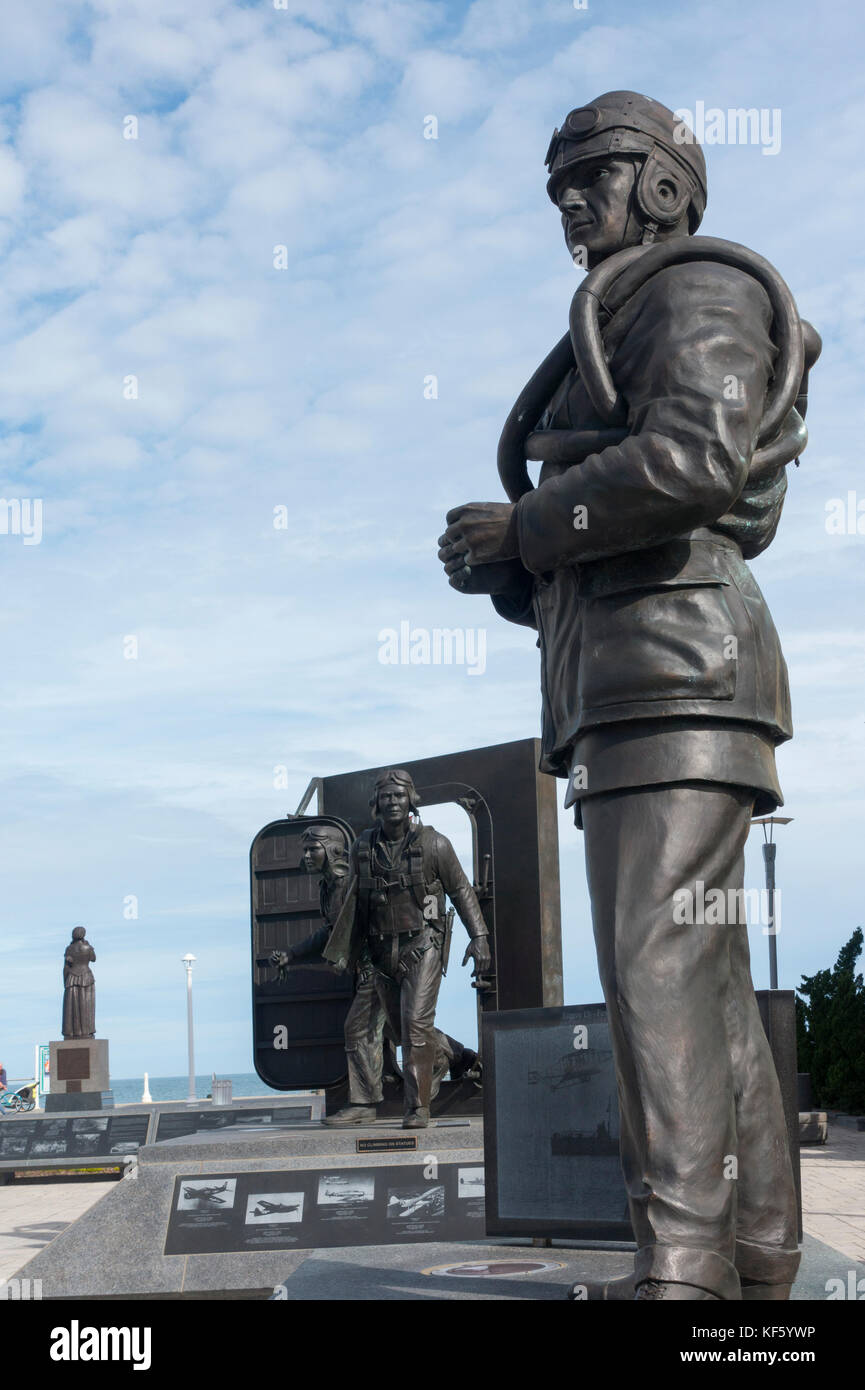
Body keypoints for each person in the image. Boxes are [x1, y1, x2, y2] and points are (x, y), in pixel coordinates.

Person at [438, 91, 815, 1300]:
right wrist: (512, 562)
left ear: (663, 182)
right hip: (641, 682)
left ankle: (686, 1267)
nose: (569, 202)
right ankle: (753, 1253)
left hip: (673, 681)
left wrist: (532, 523)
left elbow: (698, 458)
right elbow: (640, 493)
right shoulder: (625, 305)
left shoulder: (693, 286)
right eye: (558, 184)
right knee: (701, 985)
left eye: (593, 174)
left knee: (653, 967)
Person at [270, 822, 480, 1122]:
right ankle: (455, 1056)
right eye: (305, 850)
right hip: (373, 966)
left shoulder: (345, 884)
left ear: (331, 851)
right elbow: (333, 933)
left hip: (377, 967)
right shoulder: (329, 886)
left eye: (311, 849)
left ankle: (365, 1104)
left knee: (360, 1030)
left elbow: (369, 924)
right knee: (402, 1029)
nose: (305, 856)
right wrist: (292, 954)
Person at [320, 770, 491, 1128]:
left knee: (415, 1026)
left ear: (411, 799)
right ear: (376, 804)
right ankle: (451, 1060)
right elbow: (355, 902)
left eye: (399, 796)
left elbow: (460, 890)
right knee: (402, 1031)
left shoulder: (435, 844)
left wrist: (479, 937)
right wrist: (345, 952)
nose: (393, 802)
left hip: (422, 945)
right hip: (380, 952)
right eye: (386, 797)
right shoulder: (363, 847)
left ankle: (417, 1108)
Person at [62, 926, 96, 1039]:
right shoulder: (87, 947)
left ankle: (71, 1032)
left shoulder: (69, 949)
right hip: (86, 976)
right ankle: (86, 1031)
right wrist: (88, 945)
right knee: (85, 1004)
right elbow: (93, 958)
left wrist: (65, 981)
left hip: (71, 978)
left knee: (72, 1006)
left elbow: (66, 967)